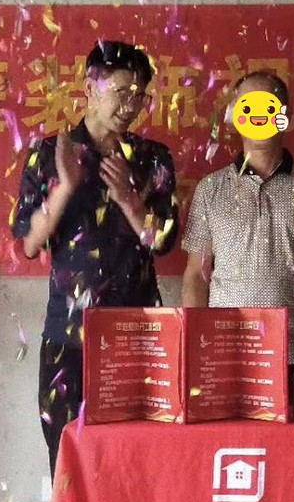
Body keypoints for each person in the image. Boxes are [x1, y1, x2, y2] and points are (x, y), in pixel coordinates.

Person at [11, 40, 179, 479]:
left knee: (138, 470)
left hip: (139, 338)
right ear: (90, 87)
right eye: (122, 92)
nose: (130, 106)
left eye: (139, 96)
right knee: (70, 470)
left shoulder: (152, 158)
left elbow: (162, 241)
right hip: (70, 338)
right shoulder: (50, 153)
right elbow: (28, 243)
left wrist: (128, 199)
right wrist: (65, 188)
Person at [181, 71, 294, 383]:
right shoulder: (211, 188)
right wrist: (196, 346)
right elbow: (196, 274)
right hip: (226, 352)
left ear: (287, 119)